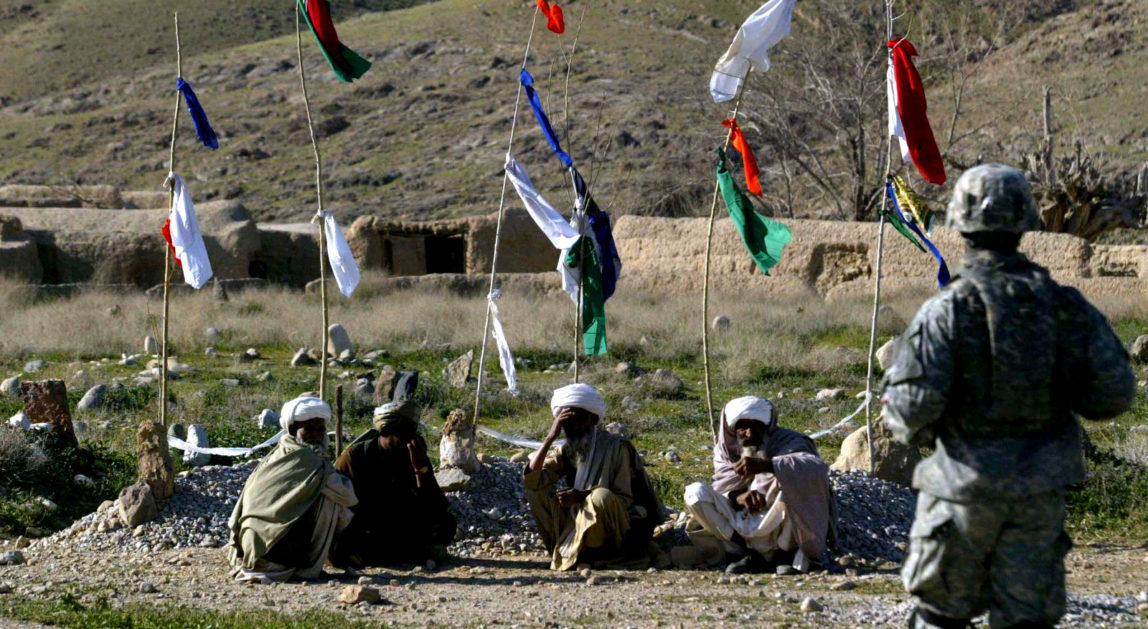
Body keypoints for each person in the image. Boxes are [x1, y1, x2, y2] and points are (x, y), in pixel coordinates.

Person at [882, 164, 1137, 629]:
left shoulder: (946, 311)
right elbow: (1115, 394)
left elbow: (907, 412)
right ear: (1027, 221)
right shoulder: (1065, 307)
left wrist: (932, 428)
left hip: (959, 495)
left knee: (939, 617)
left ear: (959, 223)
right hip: (1036, 499)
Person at [684, 396, 835, 575]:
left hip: (778, 522)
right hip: (739, 526)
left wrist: (769, 465)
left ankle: (784, 553)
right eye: (742, 427)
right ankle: (747, 553)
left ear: (767, 426)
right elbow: (722, 488)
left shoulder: (790, 441)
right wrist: (738, 497)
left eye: (756, 425)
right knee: (695, 493)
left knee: (794, 479)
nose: (749, 433)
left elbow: (815, 468)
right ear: (731, 430)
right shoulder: (724, 451)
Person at [524, 383, 663, 570]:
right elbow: (533, 478)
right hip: (578, 518)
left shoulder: (616, 447)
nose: (575, 426)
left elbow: (623, 499)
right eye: (568, 422)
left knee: (600, 497)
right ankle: (566, 549)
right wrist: (550, 437)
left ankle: (600, 555)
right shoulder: (568, 449)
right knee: (536, 490)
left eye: (580, 419)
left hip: (618, 524)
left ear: (593, 419)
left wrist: (582, 496)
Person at [227, 395, 357, 583]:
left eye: (320, 429)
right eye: (309, 428)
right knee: (331, 498)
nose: (315, 434)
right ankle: (306, 567)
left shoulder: (278, 453)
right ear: (294, 429)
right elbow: (349, 497)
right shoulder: (310, 461)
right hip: (271, 552)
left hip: (253, 549)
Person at [330, 400, 456, 568]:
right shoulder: (356, 456)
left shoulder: (413, 454)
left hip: (400, 523)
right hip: (366, 526)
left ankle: (397, 553)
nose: (412, 437)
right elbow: (340, 504)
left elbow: (435, 503)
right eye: (406, 432)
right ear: (388, 430)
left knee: (446, 522)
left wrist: (421, 469)